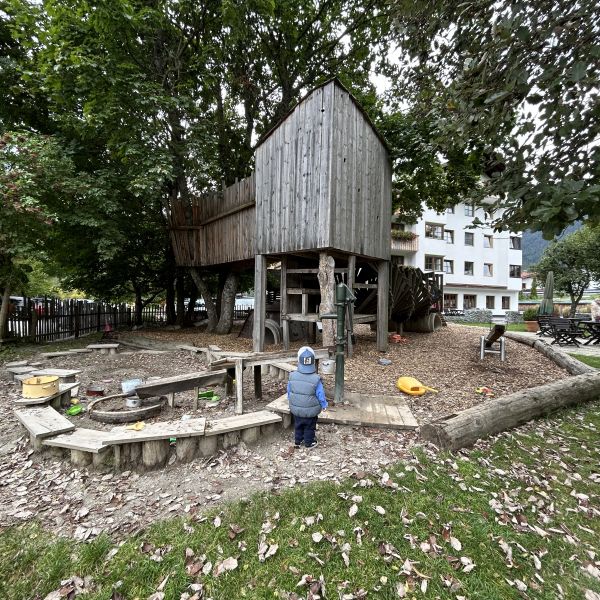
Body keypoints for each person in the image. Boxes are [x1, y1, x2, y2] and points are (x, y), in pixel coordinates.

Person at [287, 346, 328, 449]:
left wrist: (291, 400)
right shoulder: (316, 379)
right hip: (311, 410)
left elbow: (289, 391)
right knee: (310, 427)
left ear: (299, 362)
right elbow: (320, 394)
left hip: (296, 408)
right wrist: (324, 404)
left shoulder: (292, 376)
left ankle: (297, 441)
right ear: (313, 363)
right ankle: (309, 442)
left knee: (298, 424)